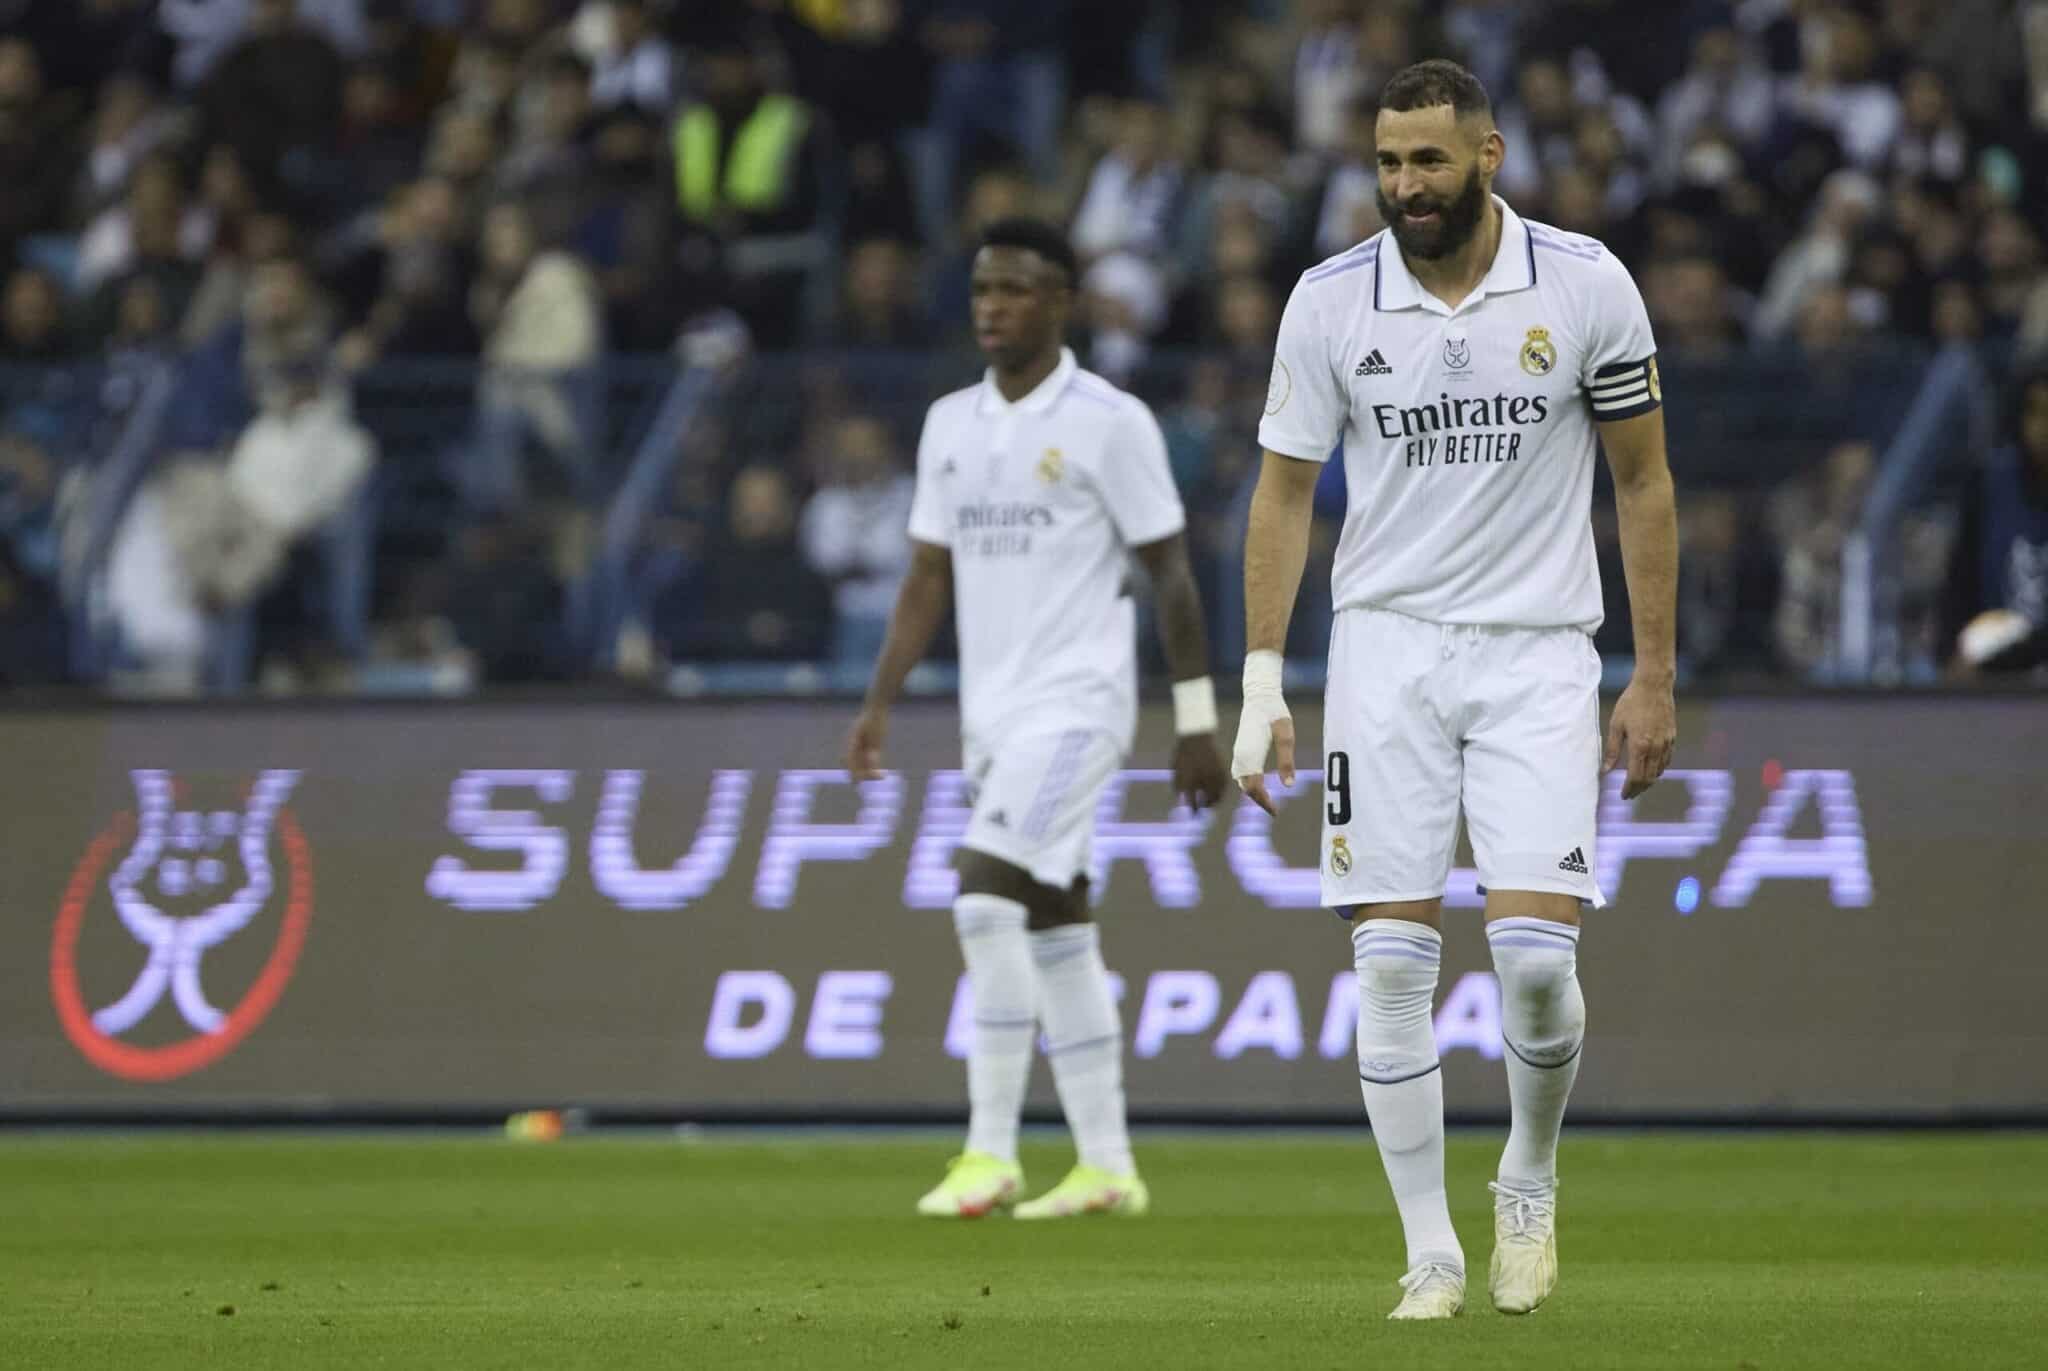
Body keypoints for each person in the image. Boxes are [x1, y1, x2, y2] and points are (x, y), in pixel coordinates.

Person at [1232, 61, 1677, 1319]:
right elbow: (1281, 493)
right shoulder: (1328, 299)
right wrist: (1262, 679)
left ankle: (1526, 1179)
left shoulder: (1584, 283)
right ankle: (1428, 1253)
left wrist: (1650, 672)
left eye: (1426, 160)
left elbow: (1642, 482)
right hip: (1383, 651)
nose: (1403, 185)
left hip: (1537, 651)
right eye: (1385, 162)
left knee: (1532, 964)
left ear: (1487, 155)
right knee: (1388, 968)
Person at [844, 217, 1228, 1220]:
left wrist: (1196, 720)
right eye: (982, 290)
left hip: (1078, 706)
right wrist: (879, 702)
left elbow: (1170, 572)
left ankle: (990, 1150)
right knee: (1057, 926)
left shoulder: (1110, 420)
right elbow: (926, 575)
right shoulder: (948, 424)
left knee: (982, 898)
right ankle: (1107, 1166)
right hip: (992, 717)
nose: (992, 308)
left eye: (1014, 289)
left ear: (1061, 302)